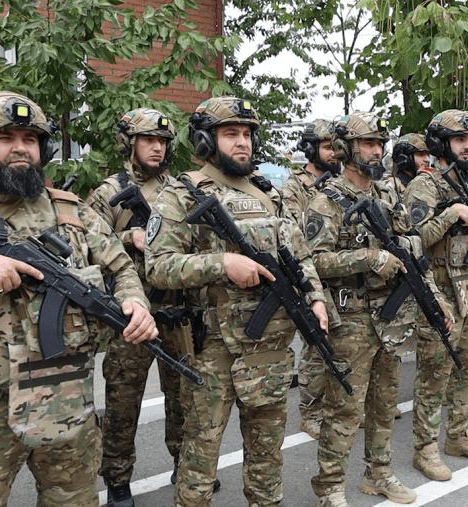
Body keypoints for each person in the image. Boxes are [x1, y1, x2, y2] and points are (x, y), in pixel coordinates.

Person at [0, 90, 157, 506]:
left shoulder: (73, 211)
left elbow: (122, 271)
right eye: (5, 137)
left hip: (68, 401)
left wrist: (135, 303)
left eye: (29, 139)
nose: (20, 148)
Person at [146, 96, 329, 507]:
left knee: (267, 456)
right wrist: (222, 263)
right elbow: (157, 267)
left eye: (247, 134)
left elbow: (300, 257)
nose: (242, 142)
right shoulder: (183, 193)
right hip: (212, 349)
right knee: (200, 459)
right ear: (205, 140)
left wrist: (316, 300)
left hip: (270, 349)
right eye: (231, 134)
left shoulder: (269, 194)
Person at [305, 111, 448, 506]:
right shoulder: (326, 199)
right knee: (345, 410)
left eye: (379, 144)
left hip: (391, 316)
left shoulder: (387, 194)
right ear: (345, 148)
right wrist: (367, 258)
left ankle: (379, 474)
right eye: (367, 143)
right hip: (350, 320)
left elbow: (413, 248)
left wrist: (436, 297)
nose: (375, 151)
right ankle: (330, 487)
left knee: (384, 402)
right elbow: (312, 261)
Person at [87, 108, 189, 507]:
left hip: (177, 310)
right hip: (129, 316)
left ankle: (185, 465)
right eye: (149, 140)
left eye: (162, 141)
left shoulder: (178, 189)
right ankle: (117, 479)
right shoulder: (108, 191)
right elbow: (88, 249)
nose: (157, 147)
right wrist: (128, 237)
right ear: (130, 143)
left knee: (182, 396)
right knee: (122, 403)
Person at [405, 109, 468, 482]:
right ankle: (424, 447)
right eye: (459, 140)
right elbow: (414, 241)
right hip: (440, 295)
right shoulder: (424, 186)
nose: (467, 146)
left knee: (465, 370)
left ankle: (458, 435)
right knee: (434, 374)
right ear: (440, 143)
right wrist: (449, 215)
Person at [280, 119, 341, 440]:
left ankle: (336, 403)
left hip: (340, 274)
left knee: (341, 345)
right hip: (310, 276)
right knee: (316, 347)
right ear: (310, 148)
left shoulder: (342, 182)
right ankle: (312, 411)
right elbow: (292, 236)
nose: (334, 153)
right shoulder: (294, 188)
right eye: (328, 146)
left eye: (336, 146)